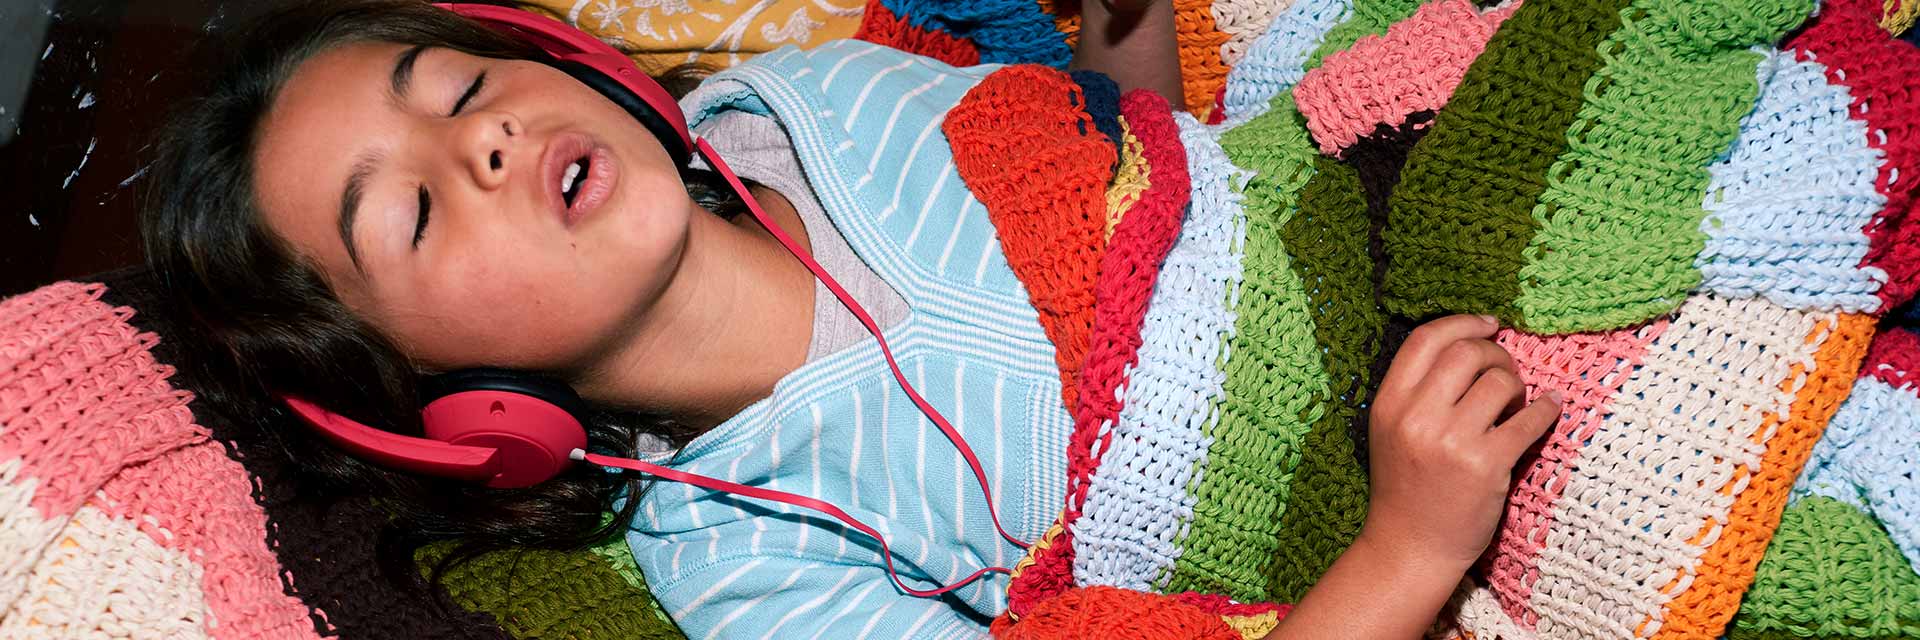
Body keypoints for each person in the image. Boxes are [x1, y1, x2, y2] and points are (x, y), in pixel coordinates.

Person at [140, 0, 1562, 637]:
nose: (487, 145)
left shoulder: (818, 98)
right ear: (443, 406)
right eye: (416, 215)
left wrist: (1128, 31)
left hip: (1364, 219)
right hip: (1401, 502)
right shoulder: (746, 559)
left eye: (458, 92)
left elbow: (1146, 159)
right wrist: (1406, 549)